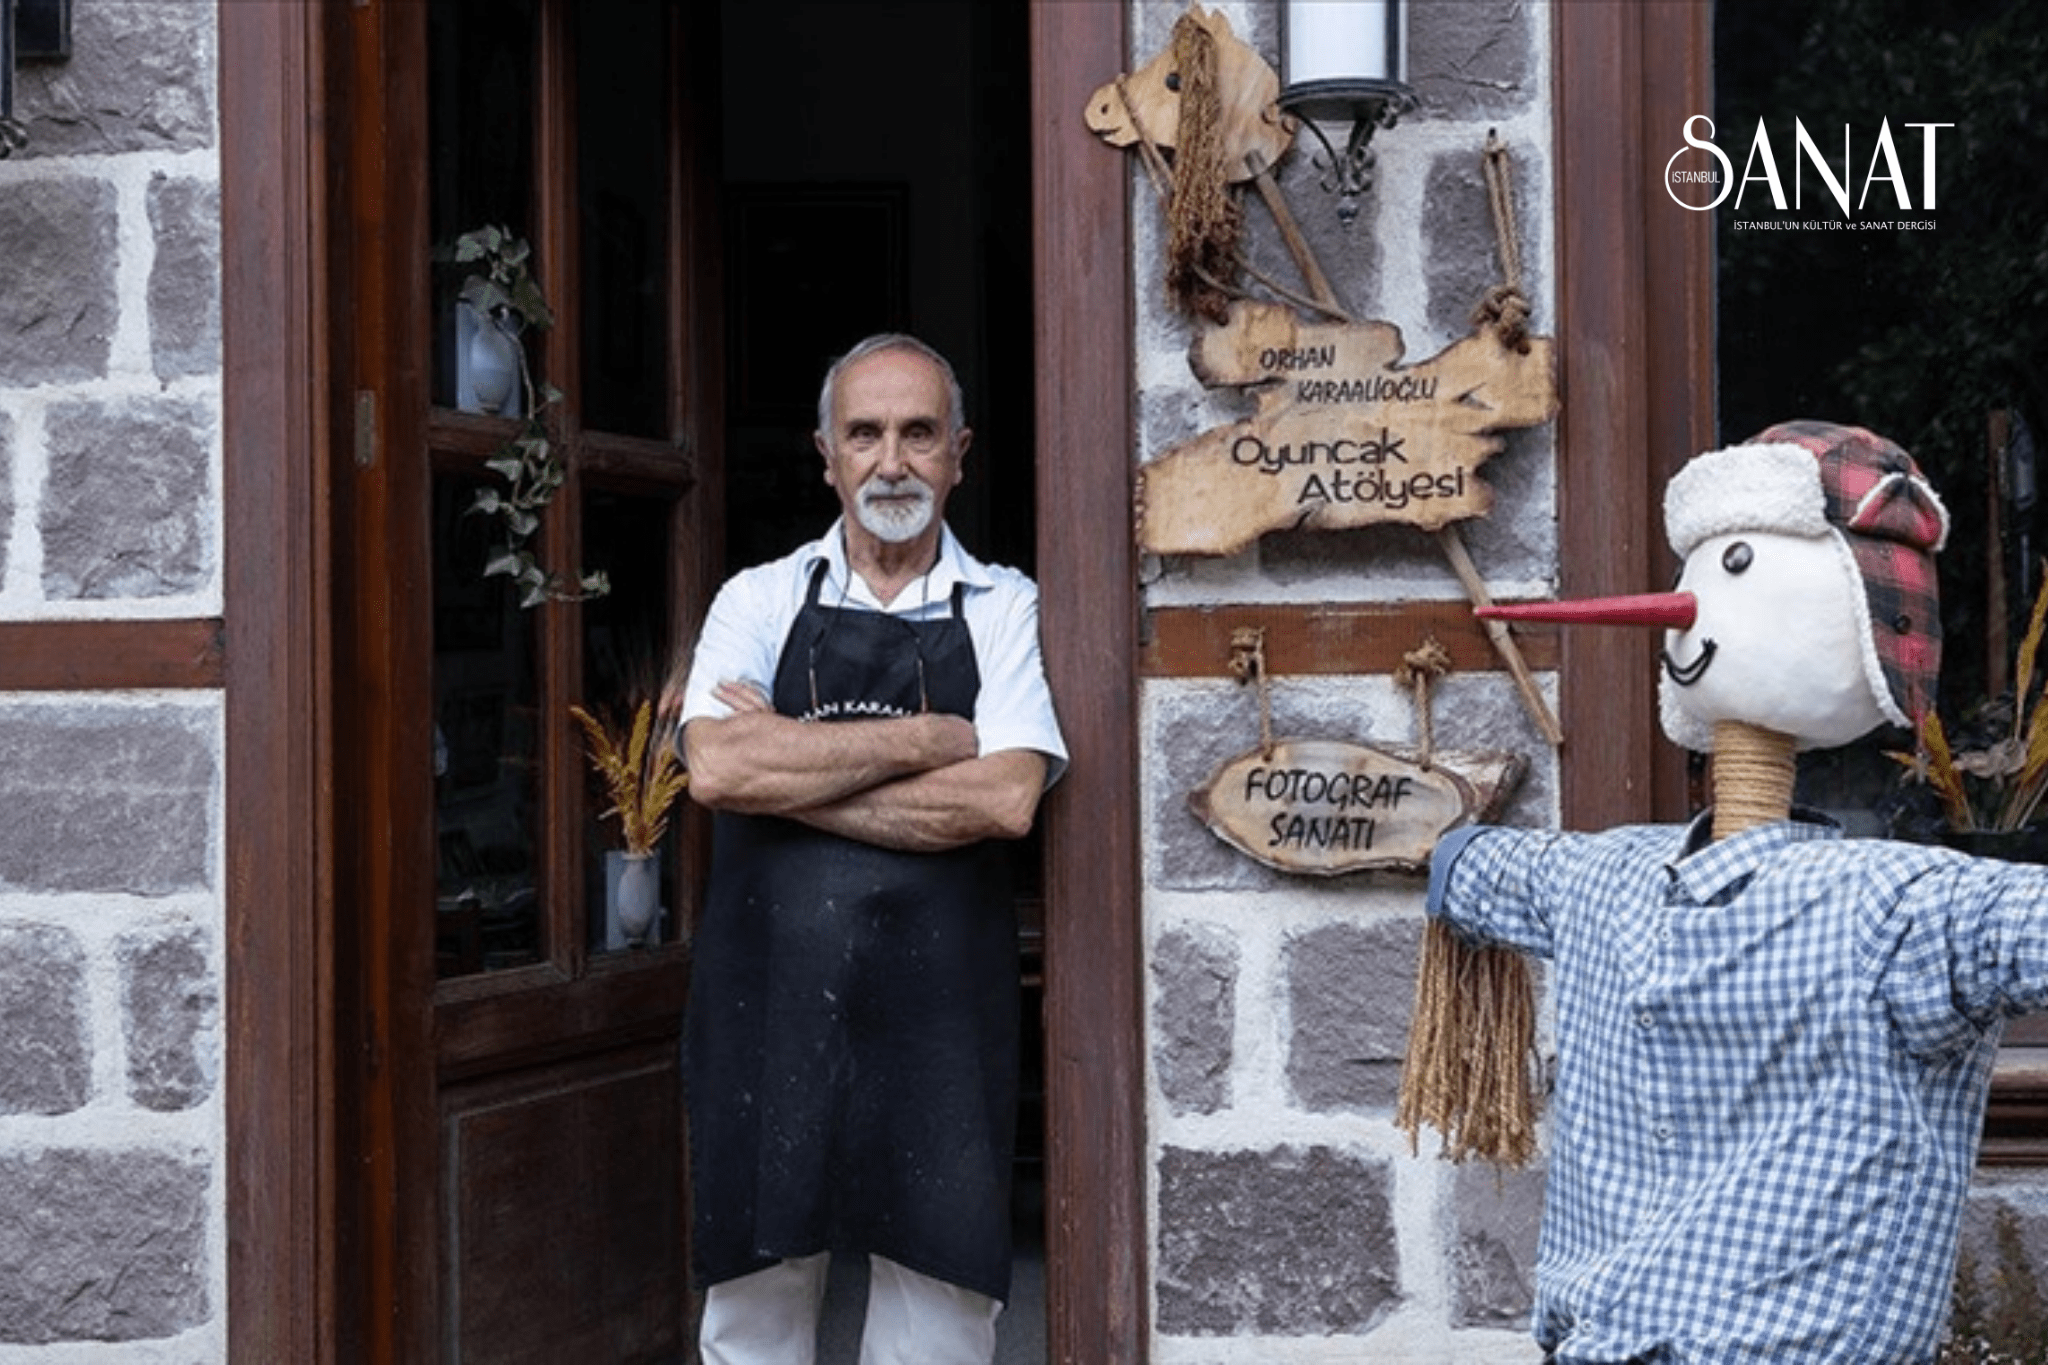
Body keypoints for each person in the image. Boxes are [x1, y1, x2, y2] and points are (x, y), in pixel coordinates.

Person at [1423, 423, 2048, 1363]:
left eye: (1734, 566)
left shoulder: (1602, 880)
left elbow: (1472, 871)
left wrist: (1441, 845)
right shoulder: (1906, 909)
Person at [669, 333, 1067, 1364]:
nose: (891, 461)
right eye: (864, 434)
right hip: (769, 1005)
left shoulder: (1006, 606)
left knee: (937, 1326)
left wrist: (788, 767)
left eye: (917, 433)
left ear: (959, 453)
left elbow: (1004, 801)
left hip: (939, 1019)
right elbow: (714, 775)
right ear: (826, 454)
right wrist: (931, 740)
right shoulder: (756, 598)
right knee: (752, 1321)